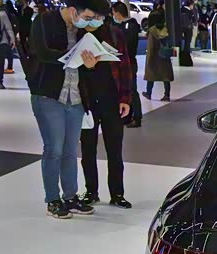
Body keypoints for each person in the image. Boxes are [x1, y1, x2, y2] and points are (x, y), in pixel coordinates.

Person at [28, 0, 106, 218]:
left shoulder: (82, 31)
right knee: (53, 149)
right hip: (49, 95)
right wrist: (74, 55)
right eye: (88, 17)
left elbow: (85, 68)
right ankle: (53, 200)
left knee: (71, 151)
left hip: (76, 98)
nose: (90, 22)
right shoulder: (44, 20)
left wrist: (90, 64)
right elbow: (42, 53)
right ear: (74, 11)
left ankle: (70, 197)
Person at [79, 15, 132, 209]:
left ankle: (117, 193)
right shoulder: (77, 35)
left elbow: (125, 67)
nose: (91, 18)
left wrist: (125, 98)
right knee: (87, 149)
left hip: (112, 100)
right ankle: (91, 191)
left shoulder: (114, 34)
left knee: (115, 149)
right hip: (86, 102)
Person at [113, 1, 141, 127]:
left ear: (118, 13)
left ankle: (137, 116)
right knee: (125, 89)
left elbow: (128, 45)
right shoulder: (123, 26)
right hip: (123, 62)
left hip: (129, 62)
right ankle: (127, 116)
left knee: (131, 89)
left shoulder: (130, 26)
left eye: (114, 13)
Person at [143, 13, 173, 101]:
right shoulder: (166, 29)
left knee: (151, 76)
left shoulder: (152, 31)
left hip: (155, 57)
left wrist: (149, 59)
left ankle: (148, 93)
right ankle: (166, 95)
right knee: (166, 76)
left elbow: (150, 46)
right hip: (164, 55)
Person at [179, 0, 194, 66]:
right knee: (187, 42)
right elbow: (192, 19)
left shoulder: (181, 9)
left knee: (184, 42)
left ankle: (184, 53)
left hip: (182, 28)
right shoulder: (189, 11)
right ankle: (186, 55)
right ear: (190, 5)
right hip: (188, 28)